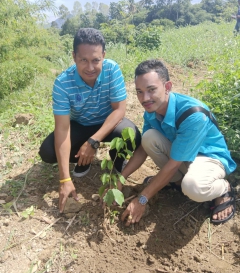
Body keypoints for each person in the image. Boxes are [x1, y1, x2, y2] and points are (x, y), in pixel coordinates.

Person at [120, 59, 237, 226]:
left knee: (193, 187)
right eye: (139, 91)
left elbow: (173, 163)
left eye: (151, 90)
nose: (144, 98)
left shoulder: (193, 115)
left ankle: (224, 189)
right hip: (183, 156)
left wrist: (142, 199)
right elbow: (143, 149)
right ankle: (175, 181)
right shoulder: (152, 111)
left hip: (208, 158)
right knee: (148, 137)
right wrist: (120, 178)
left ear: (167, 87)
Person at [39, 28, 141, 213]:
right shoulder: (62, 83)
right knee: (47, 151)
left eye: (96, 60)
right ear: (74, 56)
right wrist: (64, 179)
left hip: (108, 122)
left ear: (103, 55)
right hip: (80, 124)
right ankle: (80, 158)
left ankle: (117, 161)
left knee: (132, 135)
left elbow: (119, 110)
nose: (90, 68)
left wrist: (94, 141)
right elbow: (62, 129)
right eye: (83, 60)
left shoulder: (112, 70)